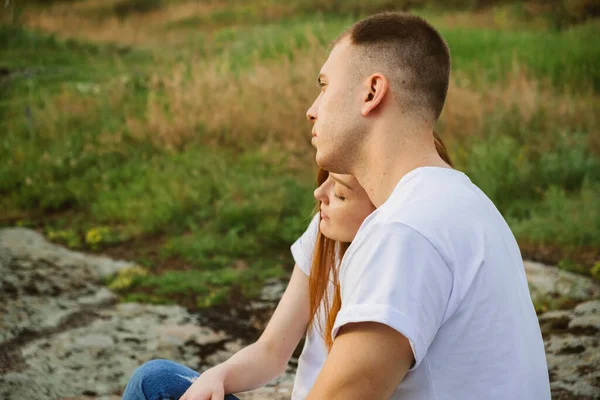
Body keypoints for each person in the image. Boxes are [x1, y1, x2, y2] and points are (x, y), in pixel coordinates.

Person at [123, 11, 551, 400]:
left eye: (324, 86)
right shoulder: (464, 203)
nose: (311, 110)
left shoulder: (407, 230)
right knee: (160, 381)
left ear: (372, 92)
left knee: (152, 389)